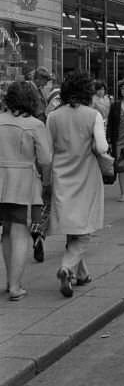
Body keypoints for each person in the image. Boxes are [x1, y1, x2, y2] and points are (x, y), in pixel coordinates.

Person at [47, 72, 109, 298]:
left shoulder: (53, 116)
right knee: (84, 229)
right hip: (86, 174)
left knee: (73, 225)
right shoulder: (93, 115)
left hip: (61, 174)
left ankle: (81, 274)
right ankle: (67, 267)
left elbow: (47, 150)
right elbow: (102, 148)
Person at [0, 81, 52, 300]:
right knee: (20, 233)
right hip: (23, 183)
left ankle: (9, 281)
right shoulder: (35, 125)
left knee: (6, 232)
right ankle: (15, 286)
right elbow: (45, 159)